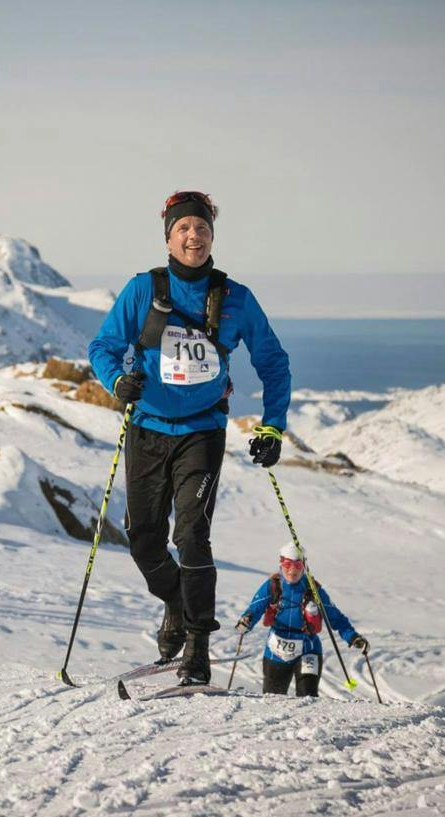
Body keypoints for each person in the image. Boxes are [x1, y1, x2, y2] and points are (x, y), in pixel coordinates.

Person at [88, 191, 292, 686]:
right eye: (184, 228)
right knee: (144, 543)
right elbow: (103, 347)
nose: (193, 235)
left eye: (201, 227)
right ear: (169, 237)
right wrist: (118, 381)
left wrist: (272, 425)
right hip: (147, 430)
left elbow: (273, 362)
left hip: (202, 431)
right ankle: (177, 604)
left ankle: (197, 647)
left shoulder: (236, 298)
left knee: (193, 536)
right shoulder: (142, 290)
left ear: (211, 237)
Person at [235, 545, 368, 697]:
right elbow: (255, 609)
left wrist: (353, 637)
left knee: (308, 698)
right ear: (281, 564)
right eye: (287, 564)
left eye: (298, 565)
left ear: (304, 566)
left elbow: (335, 617)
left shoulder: (313, 589)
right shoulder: (272, 586)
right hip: (276, 651)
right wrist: (246, 622)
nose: (293, 570)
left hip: (308, 650)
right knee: (273, 699)